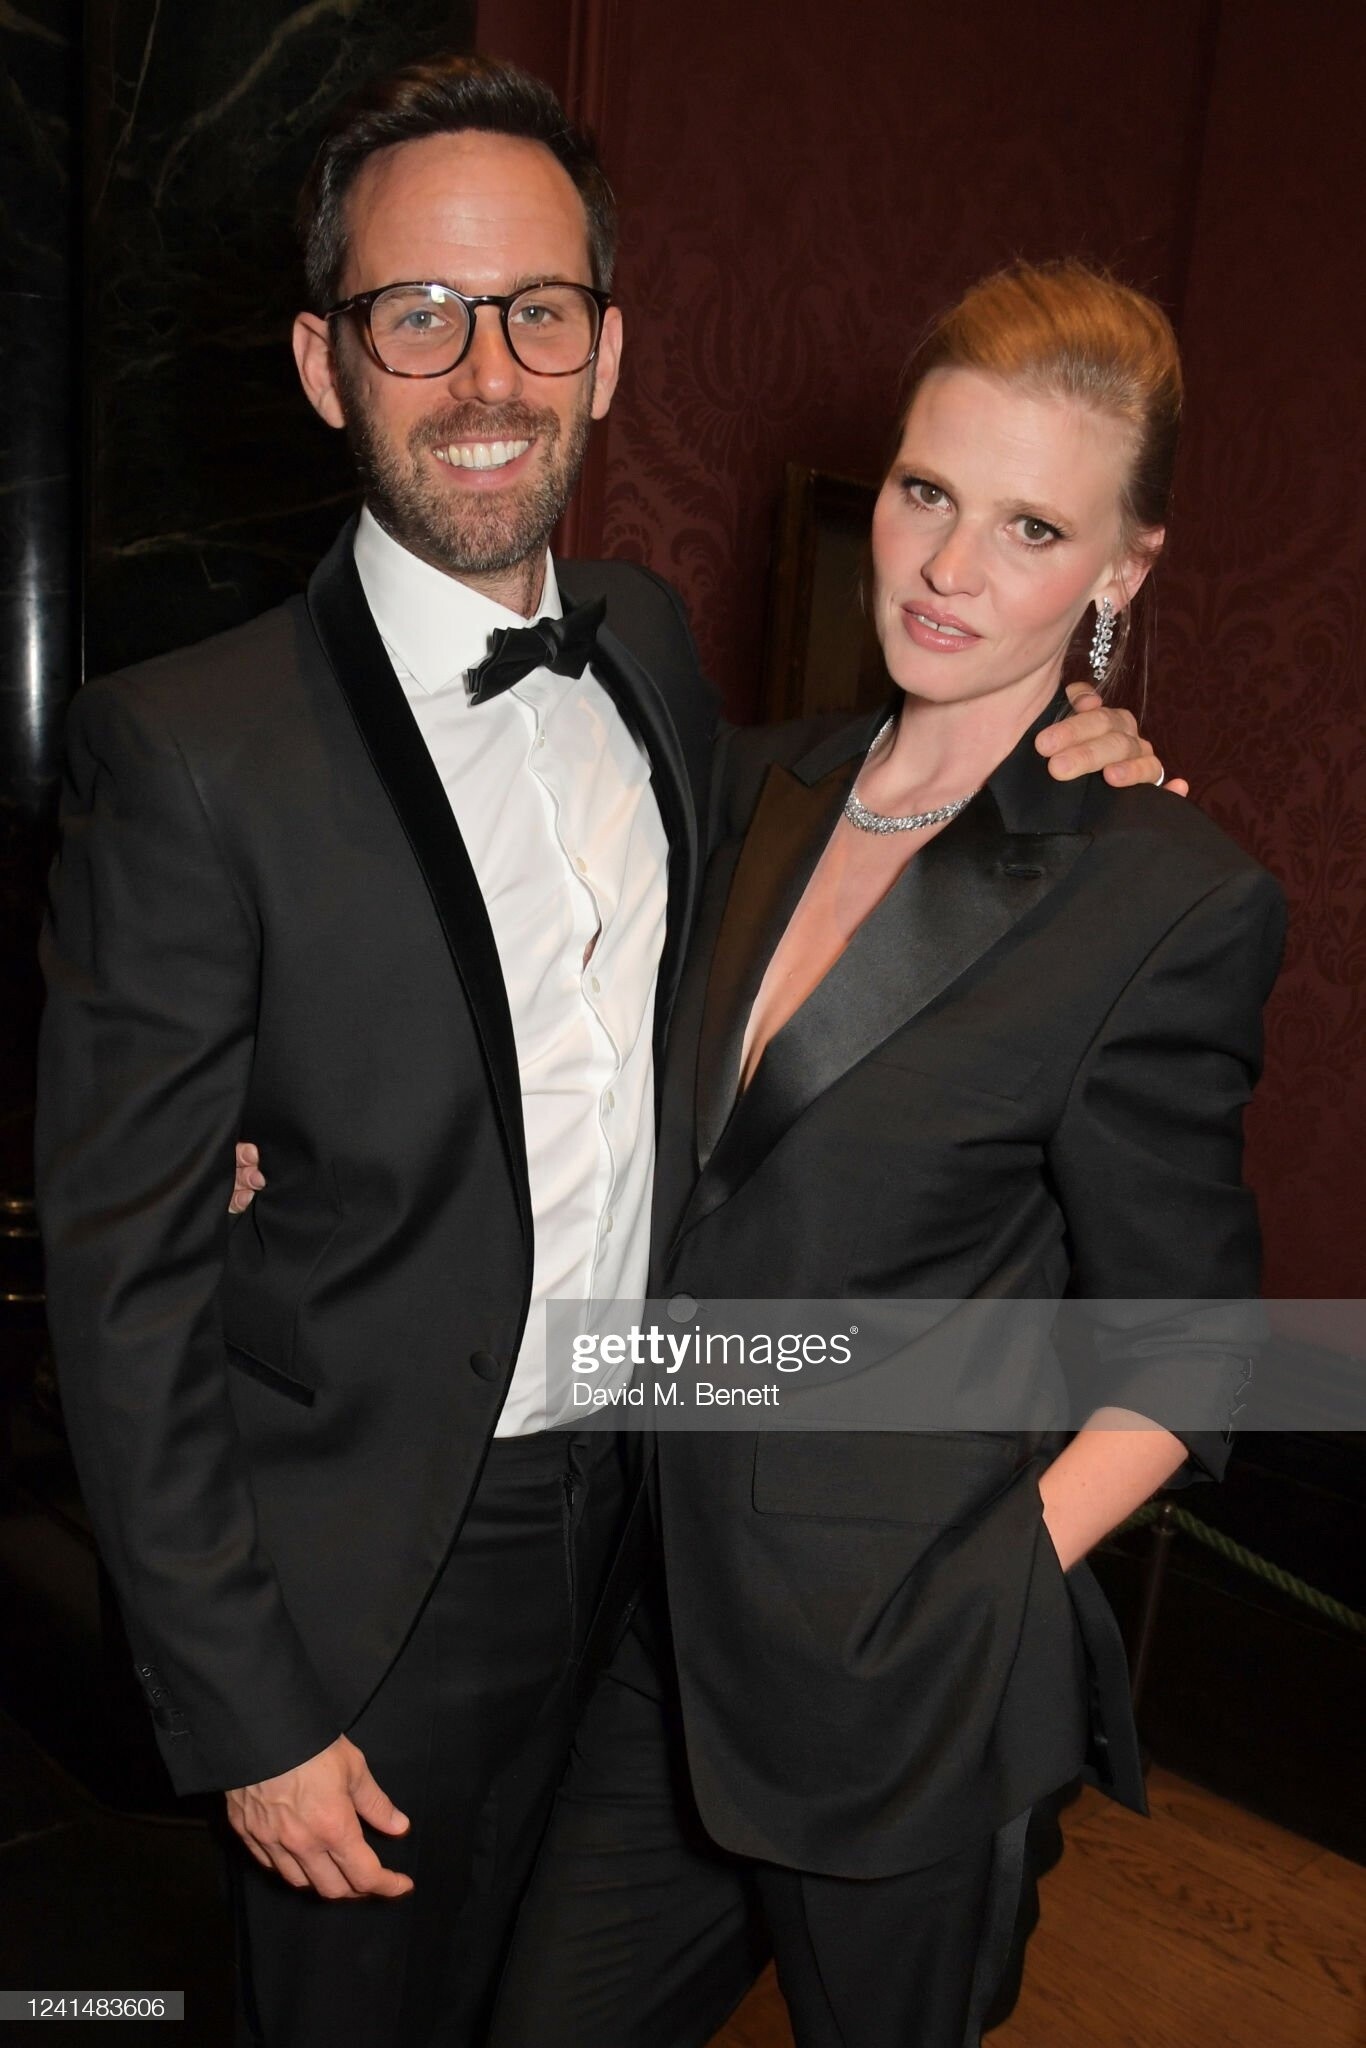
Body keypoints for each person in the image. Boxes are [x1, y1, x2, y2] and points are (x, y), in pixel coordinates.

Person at [36, 48, 1165, 2048]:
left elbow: (830, 862)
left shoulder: (644, 646)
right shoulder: (185, 750)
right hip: (380, 1574)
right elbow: (120, 1289)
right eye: (418, 312)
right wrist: (248, 1707)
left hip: (674, 1538)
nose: (487, 373)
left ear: (609, 350)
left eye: (537, 311)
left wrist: (1051, 753)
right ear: (323, 363)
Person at [483, 263, 1286, 2048]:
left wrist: (974, 1592)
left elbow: (1191, 1346)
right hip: (660, 1635)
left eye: (1030, 528)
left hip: (909, 1687)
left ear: (1120, 572)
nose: (947, 568)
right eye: (927, 492)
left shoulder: (1158, 898)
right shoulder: (742, 788)